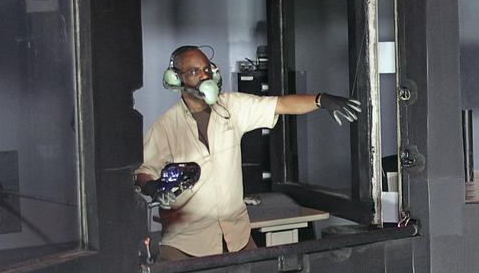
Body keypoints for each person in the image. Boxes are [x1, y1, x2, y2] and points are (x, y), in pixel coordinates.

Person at [134, 45, 360, 260]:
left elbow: (280, 104)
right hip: (186, 243)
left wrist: (320, 100)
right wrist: (153, 187)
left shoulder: (232, 107)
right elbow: (143, 171)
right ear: (176, 78)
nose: (204, 76)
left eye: (206, 69)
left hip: (236, 236)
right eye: (194, 72)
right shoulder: (165, 127)